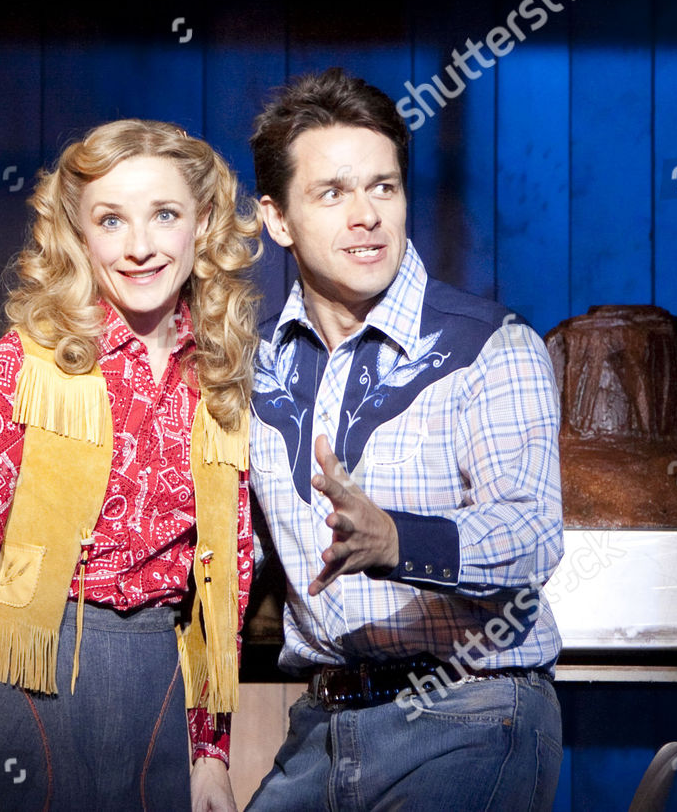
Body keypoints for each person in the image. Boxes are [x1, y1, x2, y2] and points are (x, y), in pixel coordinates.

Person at [0, 119, 261, 812]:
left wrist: (210, 753)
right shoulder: (22, 363)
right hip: (32, 675)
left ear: (202, 222)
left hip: (160, 682)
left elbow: (227, 581)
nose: (140, 246)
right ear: (80, 232)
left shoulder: (222, 381)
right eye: (111, 220)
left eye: (164, 214)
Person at [242, 68, 565, 811]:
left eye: (384, 188)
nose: (367, 216)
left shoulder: (491, 345)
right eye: (333, 192)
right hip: (320, 725)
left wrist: (396, 539)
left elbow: (531, 532)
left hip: (472, 710)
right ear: (276, 218)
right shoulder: (252, 370)